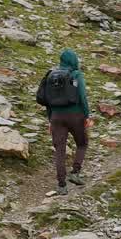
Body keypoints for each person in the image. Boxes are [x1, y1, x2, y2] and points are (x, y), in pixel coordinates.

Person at [36, 49, 92, 195]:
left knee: (59, 150)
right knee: (82, 143)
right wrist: (86, 115)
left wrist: (50, 120)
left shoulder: (51, 76)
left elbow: (47, 101)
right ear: (73, 60)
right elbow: (82, 97)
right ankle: (75, 173)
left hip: (56, 117)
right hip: (75, 115)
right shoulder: (76, 74)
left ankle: (61, 185)